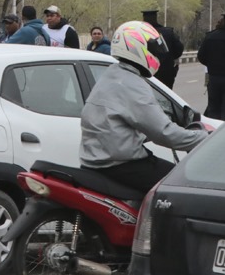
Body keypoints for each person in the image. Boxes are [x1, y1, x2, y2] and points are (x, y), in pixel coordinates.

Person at [79, 20, 208, 195]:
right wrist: (205, 139)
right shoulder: (131, 83)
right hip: (121, 164)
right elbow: (164, 133)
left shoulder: (112, 75)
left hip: (96, 160)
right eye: (153, 50)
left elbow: (120, 121)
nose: (156, 55)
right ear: (136, 47)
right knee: (180, 183)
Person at [144, 10, 183, 89]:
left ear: (144, 19)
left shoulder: (139, 33)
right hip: (165, 72)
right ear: (155, 18)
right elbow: (179, 49)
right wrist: (169, 58)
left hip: (145, 72)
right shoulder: (168, 32)